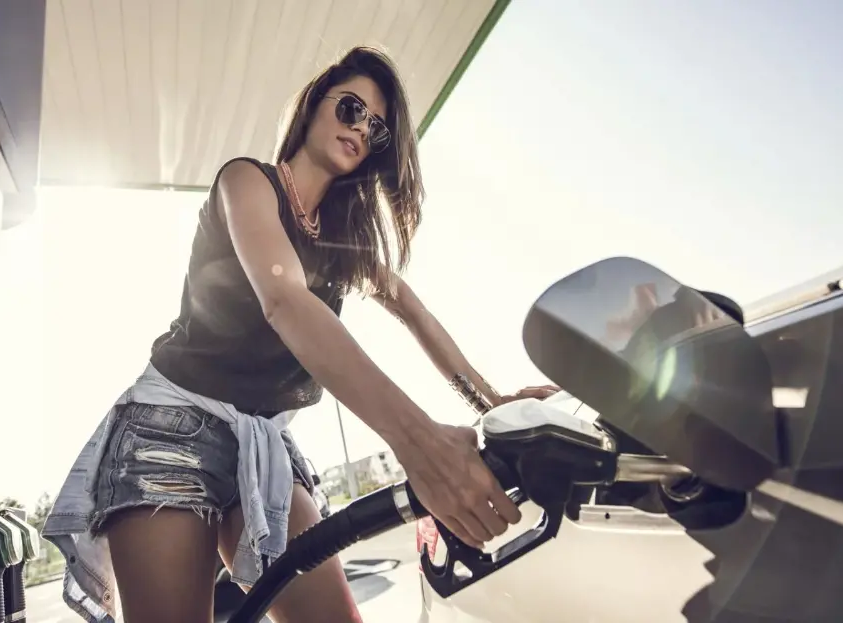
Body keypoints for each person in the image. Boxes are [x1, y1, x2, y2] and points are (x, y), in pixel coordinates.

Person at [42, 46, 558, 623]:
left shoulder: (343, 244)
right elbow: (284, 300)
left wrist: (490, 401)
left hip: (263, 443)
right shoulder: (246, 181)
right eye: (352, 109)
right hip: (172, 427)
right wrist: (419, 442)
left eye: (376, 130)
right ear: (315, 103)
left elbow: (416, 314)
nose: (360, 129)